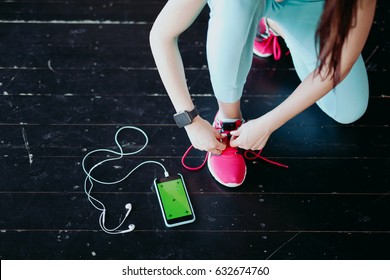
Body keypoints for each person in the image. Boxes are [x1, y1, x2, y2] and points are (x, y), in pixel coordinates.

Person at [149, 0, 376, 187]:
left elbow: (335, 68)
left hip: (307, 8)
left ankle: (270, 25)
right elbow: (162, 35)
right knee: (233, 9)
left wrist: (268, 124)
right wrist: (190, 120)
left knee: (349, 109)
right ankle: (229, 120)